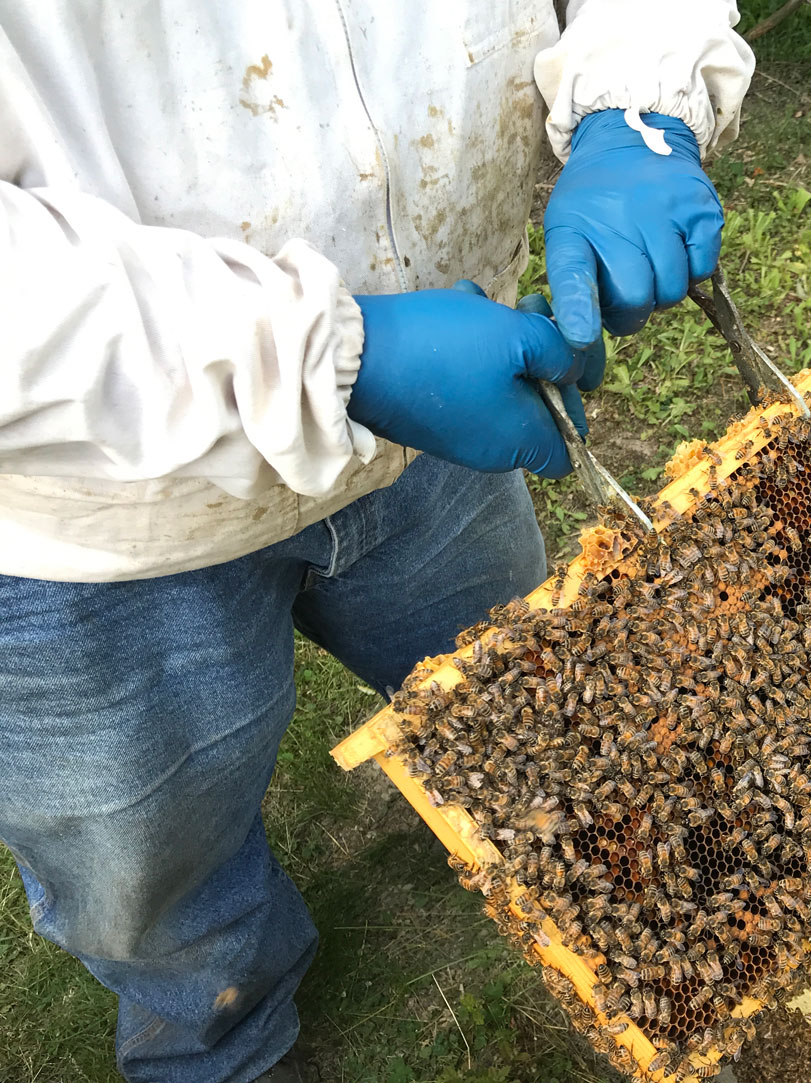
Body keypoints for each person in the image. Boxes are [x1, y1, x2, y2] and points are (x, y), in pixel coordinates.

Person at [0, 3, 754, 1081]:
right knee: (144, 871)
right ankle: (221, 1038)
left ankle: (633, 905)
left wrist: (640, 101)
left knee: (539, 715)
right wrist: (329, 359)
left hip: (437, 402)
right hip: (90, 513)